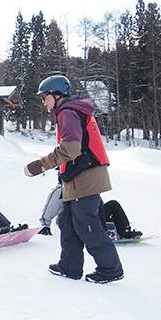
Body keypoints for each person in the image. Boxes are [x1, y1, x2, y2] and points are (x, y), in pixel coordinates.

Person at [24, 75, 124, 284]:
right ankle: (69, 266)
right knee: (67, 222)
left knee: (87, 225)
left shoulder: (68, 113)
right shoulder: (70, 111)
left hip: (84, 179)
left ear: (56, 95)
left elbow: (71, 149)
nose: (43, 101)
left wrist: (41, 165)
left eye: (45, 97)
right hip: (77, 178)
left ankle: (110, 269)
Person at [38, 183, 143, 240]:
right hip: (75, 221)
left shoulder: (86, 185)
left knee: (113, 205)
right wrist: (45, 226)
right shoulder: (60, 190)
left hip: (92, 217)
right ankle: (104, 231)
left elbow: (98, 205)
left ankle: (124, 231)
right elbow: (49, 209)